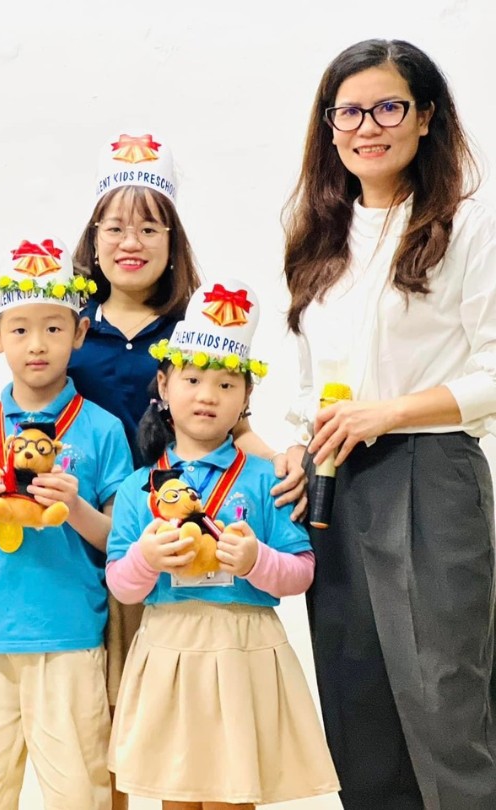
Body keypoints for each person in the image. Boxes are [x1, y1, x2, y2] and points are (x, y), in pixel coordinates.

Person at [0, 132, 307, 807]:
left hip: (174, 545)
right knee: (104, 735)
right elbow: (26, 399)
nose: (130, 241)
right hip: (85, 559)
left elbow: (232, 422)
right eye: (114, 227)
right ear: (93, 238)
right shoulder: (69, 323)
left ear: (173, 240)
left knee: (171, 732)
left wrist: (280, 455)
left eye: (149, 227)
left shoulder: (189, 327)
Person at [281, 38, 496, 809]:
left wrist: (390, 411)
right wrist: (297, 444)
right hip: (332, 482)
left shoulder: (467, 227)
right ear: (329, 126)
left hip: (429, 474)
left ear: (426, 116)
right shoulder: (319, 236)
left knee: (444, 701)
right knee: (357, 705)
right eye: (349, 112)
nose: (367, 126)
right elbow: (311, 383)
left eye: (388, 107)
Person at [105, 278, 339, 809]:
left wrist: (257, 560)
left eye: (227, 384)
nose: (207, 395)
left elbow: (302, 570)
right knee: (175, 792)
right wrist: (146, 558)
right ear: (163, 385)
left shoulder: (268, 479)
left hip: (242, 651)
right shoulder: (139, 487)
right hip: (169, 650)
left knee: (235, 794)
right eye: (191, 379)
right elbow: (122, 585)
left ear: (246, 398)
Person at [0, 236, 132, 810]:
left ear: (79, 333)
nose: (37, 344)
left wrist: (76, 508)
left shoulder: (101, 429)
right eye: (20, 329)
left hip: (70, 634)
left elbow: (119, 542)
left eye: (53, 328)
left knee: (79, 795)